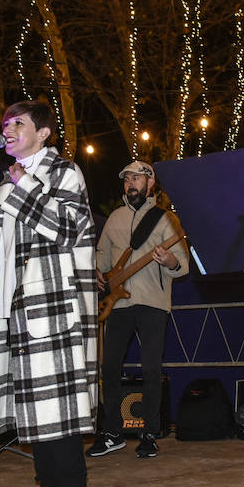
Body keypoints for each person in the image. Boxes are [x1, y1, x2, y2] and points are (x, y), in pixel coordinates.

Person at [0, 100, 100, 487]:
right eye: (5, 123)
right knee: (34, 406)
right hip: (14, 302)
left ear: (44, 133)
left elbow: (69, 229)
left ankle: (71, 486)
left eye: (19, 122)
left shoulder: (63, 172)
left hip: (53, 301)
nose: (9, 129)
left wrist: (24, 188)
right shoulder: (6, 181)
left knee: (58, 404)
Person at [87, 160, 189, 459]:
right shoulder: (115, 218)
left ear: (150, 183)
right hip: (118, 303)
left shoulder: (166, 219)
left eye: (136, 178)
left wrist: (169, 261)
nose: (130, 182)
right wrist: (96, 272)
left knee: (150, 369)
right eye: (126, 178)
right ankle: (112, 433)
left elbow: (181, 264)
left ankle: (150, 433)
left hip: (153, 302)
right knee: (109, 367)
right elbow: (102, 256)